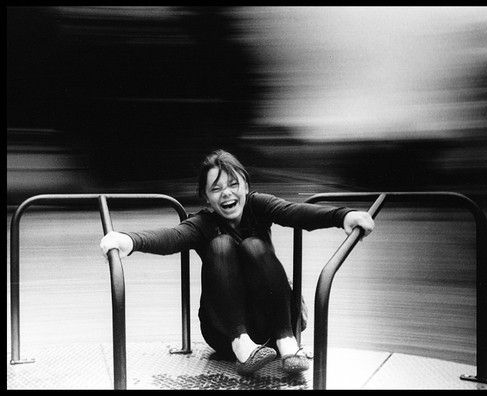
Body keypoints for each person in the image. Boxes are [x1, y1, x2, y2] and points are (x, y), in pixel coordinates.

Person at [100, 149, 375, 376]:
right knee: (220, 245)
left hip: (271, 320)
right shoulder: (204, 223)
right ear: (206, 196)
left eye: (233, 184)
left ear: (245, 185)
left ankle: (287, 343)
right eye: (216, 188)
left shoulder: (259, 206)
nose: (227, 194)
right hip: (224, 333)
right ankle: (242, 346)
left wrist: (343, 216)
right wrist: (130, 240)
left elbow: (295, 212)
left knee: (254, 245)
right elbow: (172, 237)